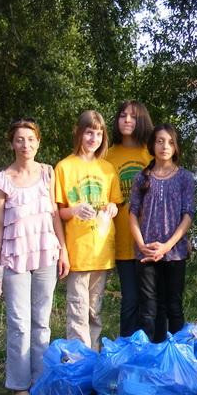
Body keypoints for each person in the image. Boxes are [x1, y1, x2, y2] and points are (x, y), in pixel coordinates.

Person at [0, 118, 70, 395]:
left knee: (42, 322)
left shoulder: (48, 173)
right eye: (20, 139)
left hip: (46, 252)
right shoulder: (1, 181)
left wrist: (63, 250)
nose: (26, 145)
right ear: (12, 143)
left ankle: (40, 381)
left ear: (38, 142)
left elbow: (55, 214)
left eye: (31, 139)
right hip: (15, 258)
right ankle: (20, 385)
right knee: (19, 323)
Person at [55, 110, 122, 350]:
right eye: (89, 133)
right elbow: (58, 212)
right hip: (78, 253)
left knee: (94, 310)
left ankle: (93, 355)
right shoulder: (64, 167)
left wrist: (112, 207)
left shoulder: (107, 169)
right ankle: (78, 360)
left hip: (101, 253)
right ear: (79, 133)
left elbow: (114, 203)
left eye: (98, 134)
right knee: (77, 310)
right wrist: (74, 210)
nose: (94, 138)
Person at [129, 124, 195, 342]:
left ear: (176, 147)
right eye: (160, 141)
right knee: (148, 309)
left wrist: (167, 246)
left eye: (170, 142)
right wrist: (141, 245)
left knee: (173, 306)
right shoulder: (142, 178)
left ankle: (177, 353)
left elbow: (188, 215)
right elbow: (132, 213)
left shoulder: (184, 177)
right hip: (146, 252)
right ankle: (150, 353)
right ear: (152, 145)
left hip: (174, 252)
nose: (164, 146)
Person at [106, 100, 153, 337]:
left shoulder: (151, 153)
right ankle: (126, 348)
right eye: (123, 115)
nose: (127, 120)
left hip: (150, 240)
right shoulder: (107, 155)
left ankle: (150, 347)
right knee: (130, 300)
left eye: (133, 116)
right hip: (121, 239)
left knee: (150, 300)